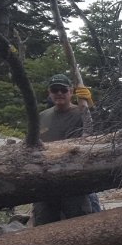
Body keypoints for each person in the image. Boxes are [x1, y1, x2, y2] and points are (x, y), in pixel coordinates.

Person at [30, 73, 97, 227]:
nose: (59, 93)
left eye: (63, 89)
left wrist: (91, 107)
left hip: (75, 181)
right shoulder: (41, 116)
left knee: (82, 225)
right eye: (55, 90)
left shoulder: (82, 113)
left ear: (71, 92)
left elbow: (96, 134)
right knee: (43, 227)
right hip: (45, 182)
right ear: (49, 92)